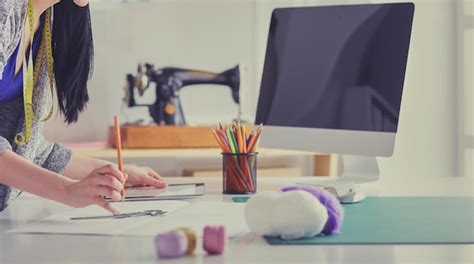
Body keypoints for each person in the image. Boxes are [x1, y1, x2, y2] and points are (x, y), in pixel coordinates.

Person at [0, 0, 166, 215]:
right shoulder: (6, 10)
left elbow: (30, 150)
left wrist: (113, 175)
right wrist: (66, 191)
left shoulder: (42, 22)